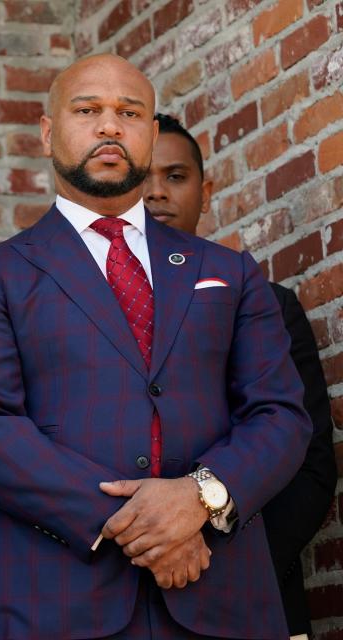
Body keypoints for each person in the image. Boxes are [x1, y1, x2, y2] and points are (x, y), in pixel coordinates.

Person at [0, 53, 311, 639]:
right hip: (54, 604)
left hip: (221, 598)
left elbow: (280, 414)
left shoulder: (228, 271)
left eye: (129, 112)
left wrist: (200, 498)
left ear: (151, 134)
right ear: (47, 131)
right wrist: (139, 523)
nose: (110, 126)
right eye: (88, 110)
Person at [144, 113, 338, 639]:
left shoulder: (270, 306)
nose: (156, 194)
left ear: (206, 191)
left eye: (175, 177)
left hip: (258, 597)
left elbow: (311, 470)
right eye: (142, 178)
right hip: (129, 602)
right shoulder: (87, 312)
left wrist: (223, 565)